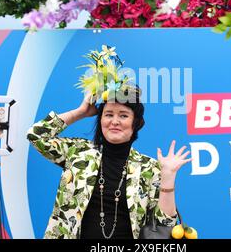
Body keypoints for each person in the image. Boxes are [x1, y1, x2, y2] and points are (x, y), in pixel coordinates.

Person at [26, 90, 191, 239]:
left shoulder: (149, 168)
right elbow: (37, 136)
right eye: (109, 114)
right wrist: (81, 112)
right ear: (100, 119)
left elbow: (164, 226)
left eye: (124, 115)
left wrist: (168, 177)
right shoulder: (78, 152)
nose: (115, 121)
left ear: (136, 123)